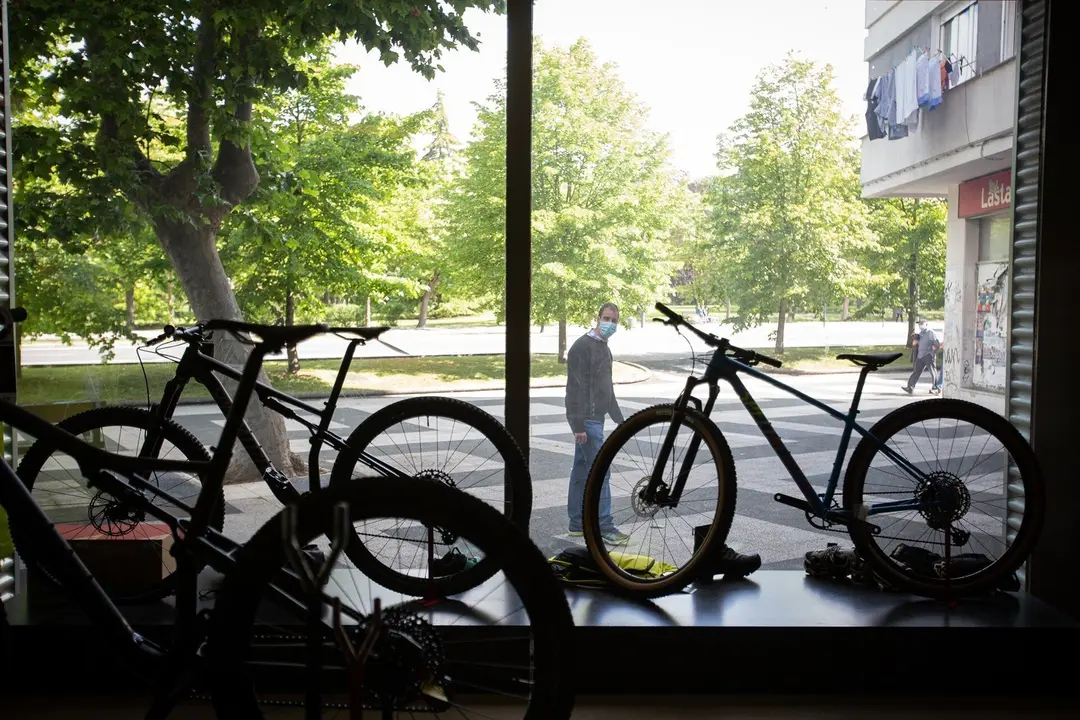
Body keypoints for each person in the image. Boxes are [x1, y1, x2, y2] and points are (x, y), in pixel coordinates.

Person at [564, 302, 761, 578]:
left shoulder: (602, 346)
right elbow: (575, 386)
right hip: (587, 420)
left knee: (581, 470)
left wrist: (620, 418)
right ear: (596, 318)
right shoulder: (582, 347)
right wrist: (577, 423)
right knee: (600, 470)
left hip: (596, 417)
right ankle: (604, 526)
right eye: (606, 319)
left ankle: (576, 521)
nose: (610, 324)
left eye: (614, 320)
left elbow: (604, 387)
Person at [902, 319, 940, 395]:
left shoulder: (930, 332)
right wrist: (915, 342)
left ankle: (935, 387)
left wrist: (932, 352)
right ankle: (910, 387)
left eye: (922, 323)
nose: (920, 325)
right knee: (916, 372)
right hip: (920, 356)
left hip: (928, 355)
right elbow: (917, 345)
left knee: (933, 371)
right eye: (919, 324)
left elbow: (936, 343)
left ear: (926, 324)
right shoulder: (920, 334)